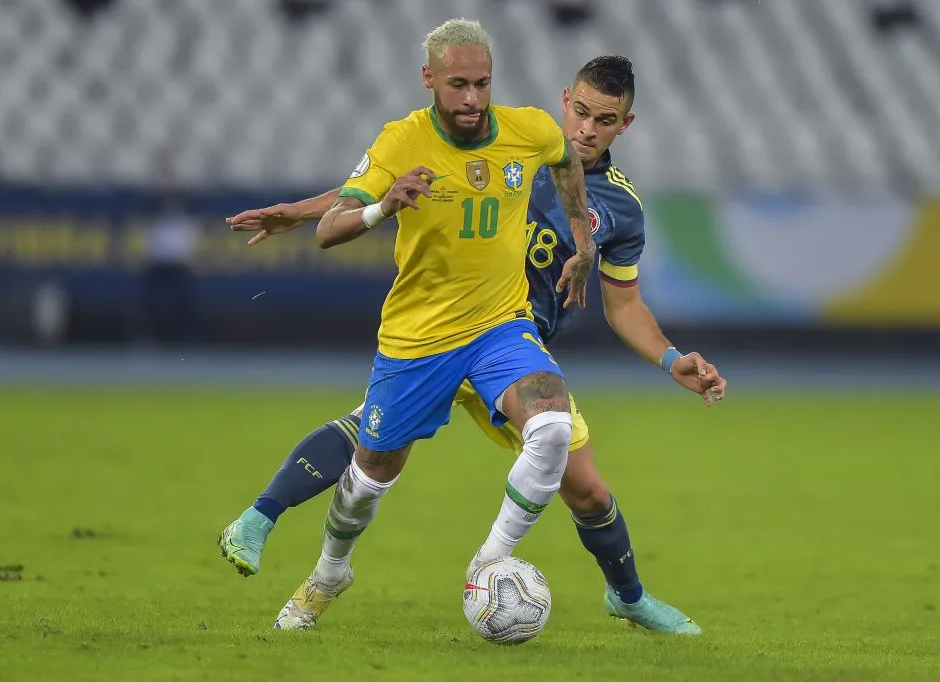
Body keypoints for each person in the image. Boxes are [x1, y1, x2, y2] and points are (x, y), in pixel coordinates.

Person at [221, 55, 726, 633]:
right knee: (373, 456)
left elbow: (625, 305)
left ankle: (627, 598)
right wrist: (302, 212)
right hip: (441, 328)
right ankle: (323, 572)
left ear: (625, 125)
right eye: (581, 112)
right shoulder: (516, 146)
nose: (587, 130)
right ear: (566, 101)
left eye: (604, 120)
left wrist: (670, 359)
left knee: (586, 488)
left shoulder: (620, 208)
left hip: (511, 346)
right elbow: (387, 176)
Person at [232, 17, 600, 631]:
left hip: (500, 327)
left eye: (482, 83)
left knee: (554, 426)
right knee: (368, 479)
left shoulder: (530, 129)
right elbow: (330, 230)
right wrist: (383, 206)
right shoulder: (401, 141)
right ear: (429, 78)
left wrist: (584, 244)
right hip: (419, 338)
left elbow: (566, 165)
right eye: (458, 85)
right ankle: (330, 572)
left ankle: (488, 564)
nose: (472, 98)